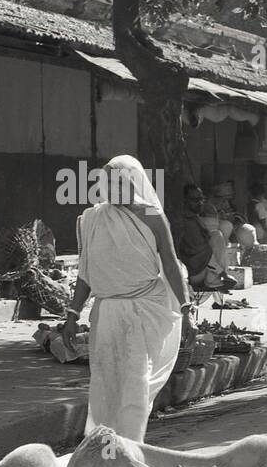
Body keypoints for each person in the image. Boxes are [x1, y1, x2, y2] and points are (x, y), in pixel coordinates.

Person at [62, 156, 188, 442]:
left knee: (136, 382)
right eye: (107, 181)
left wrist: (186, 308)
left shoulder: (153, 217)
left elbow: (169, 263)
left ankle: (130, 448)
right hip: (107, 314)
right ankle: (105, 449)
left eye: (120, 181)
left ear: (135, 182)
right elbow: (86, 271)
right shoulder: (91, 218)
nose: (113, 187)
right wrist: (72, 314)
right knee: (105, 385)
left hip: (146, 310)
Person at [172, 183, 235, 291]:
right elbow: (202, 254)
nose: (200, 203)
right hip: (193, 272)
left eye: (201, 199)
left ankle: (216, 282)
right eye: (195, 200)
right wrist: (221, 273)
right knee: (217, 236)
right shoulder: (187, 223)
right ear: (185, 201)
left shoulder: (193, 218)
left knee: (214, 237)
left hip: (195, 268)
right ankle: (215, 280)